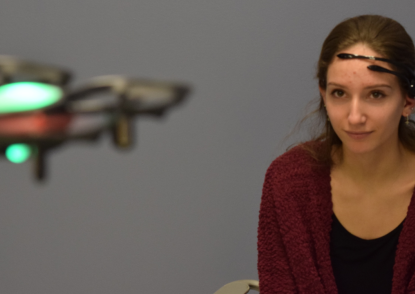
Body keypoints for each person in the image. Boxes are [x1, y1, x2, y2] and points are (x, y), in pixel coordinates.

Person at [257, 15, 415, 294]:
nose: (354, 117)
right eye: (339, 93)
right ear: (323, 95)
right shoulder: (288, 183)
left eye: (376, 94)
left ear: (407, 101)